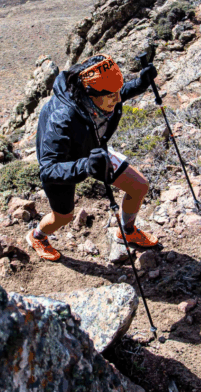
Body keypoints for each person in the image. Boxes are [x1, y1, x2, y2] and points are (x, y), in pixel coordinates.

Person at [26, 54, 158, 261]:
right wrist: (86, 166)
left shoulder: (100, 94)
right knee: (63, 217)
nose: (117, 99)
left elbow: (118, 92)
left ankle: (128, 231)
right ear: (89, 94)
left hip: (92, 149)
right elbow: (48, 169)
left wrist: (142, 82)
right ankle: (38, 237)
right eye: (111, 95)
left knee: (139, 186)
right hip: (66, 162)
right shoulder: (62, 119)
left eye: (116, 93)